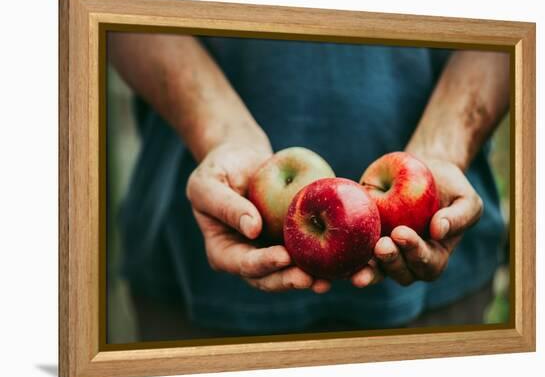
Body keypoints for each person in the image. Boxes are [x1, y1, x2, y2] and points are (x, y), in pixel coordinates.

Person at [108, 33, 509, 340]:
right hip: (190, 269)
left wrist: (444, 147)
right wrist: (220, 134)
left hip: (439, 290)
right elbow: (113, 11)